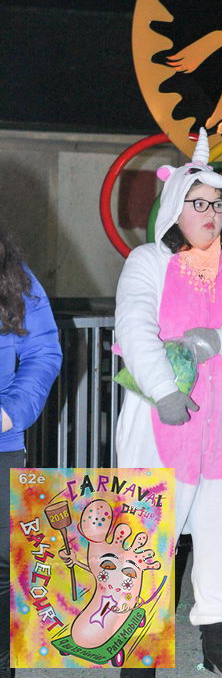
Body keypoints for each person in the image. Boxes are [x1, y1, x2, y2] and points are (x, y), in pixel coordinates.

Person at [114, 129, 222, 678]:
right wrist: (164, 390)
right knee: (147, 532)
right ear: (175, 207)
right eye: (198, 203)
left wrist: (221, 339)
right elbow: (134, 328)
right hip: (162, 420)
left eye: (217, 204)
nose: (210, 213)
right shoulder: (147, 261)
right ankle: (136, 647)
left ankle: (218, 637)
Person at [0, 229, 62, 678]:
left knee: (3, 571)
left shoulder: (13, 275)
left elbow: (42, 352)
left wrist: (10, 413)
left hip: (1, 444)